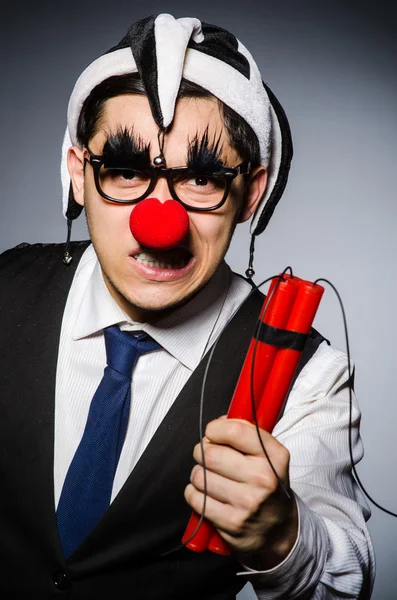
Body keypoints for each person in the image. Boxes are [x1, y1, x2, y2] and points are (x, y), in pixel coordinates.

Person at [0, 13, 375, 599]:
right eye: (124, 171)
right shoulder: (5, 288)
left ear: (252, 193)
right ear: (78, 174)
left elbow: (345, 587)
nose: (159, 223)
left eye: (202, 180)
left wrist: (284, 539)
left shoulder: (309, 376)